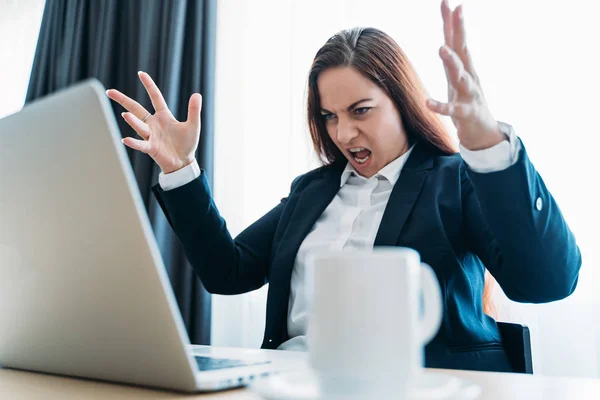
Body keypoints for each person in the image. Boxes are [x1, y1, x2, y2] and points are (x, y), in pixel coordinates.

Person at [106, 0, 581, 372]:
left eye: (360, 111)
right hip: (291, 381)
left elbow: (548, 282)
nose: (343, 134)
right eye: (329, 116)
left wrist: (486, 143)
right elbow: (226, 271)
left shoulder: (454, 180)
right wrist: (181, 169)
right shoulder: (311, 191)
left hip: (406, 386)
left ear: (401, 102)